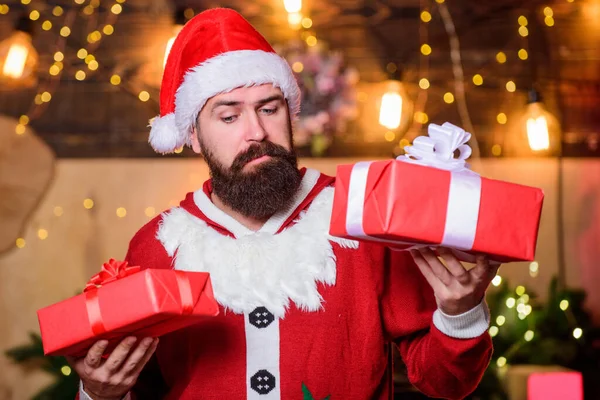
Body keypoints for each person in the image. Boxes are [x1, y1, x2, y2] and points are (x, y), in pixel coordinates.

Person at [68, 8, 499, 400]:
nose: (255, 131)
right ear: (193, 135)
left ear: (290, 114)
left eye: (269, 108)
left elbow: (446, 382)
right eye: (229, 115)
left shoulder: (362, 218)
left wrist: (460, 312)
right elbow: (134, 386)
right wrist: (98, 393)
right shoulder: (156, 247)